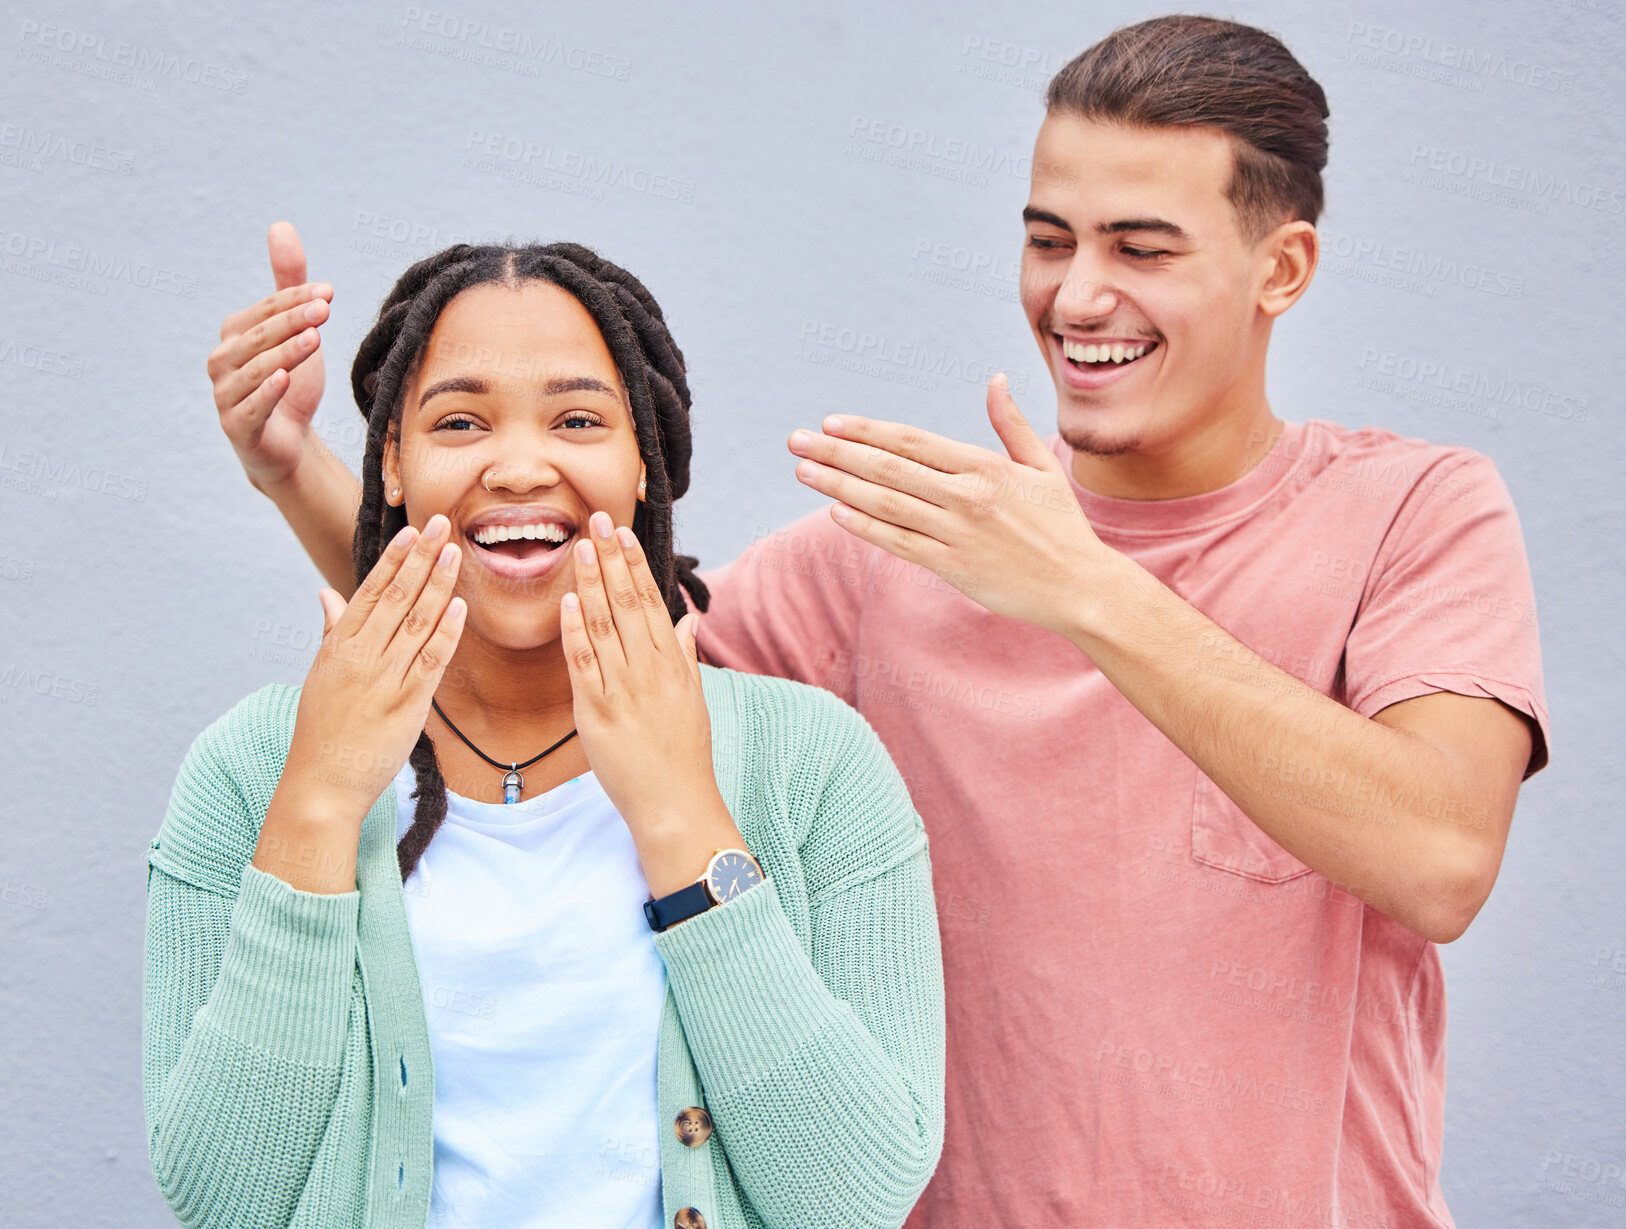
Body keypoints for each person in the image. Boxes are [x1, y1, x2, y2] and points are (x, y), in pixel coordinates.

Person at [207, 18, 1548, 1227]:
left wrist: (1089, 593)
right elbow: (548, 653)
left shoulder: (1412, 512)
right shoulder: (889, 555)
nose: (1077, 297)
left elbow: (1436, 855)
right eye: (1047, 238)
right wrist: (299, 472)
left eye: (1141, 248)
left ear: (1281, 267)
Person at [146, 241, 944, 1229]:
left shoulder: (813, 764)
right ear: (391, 462)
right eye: (459, 421)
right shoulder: (253, 766)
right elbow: (224, 1198)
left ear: (644, 458)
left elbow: (854, 1198)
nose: (520, 465)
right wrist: (317, 800)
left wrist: (679, 813)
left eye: (577, 419)